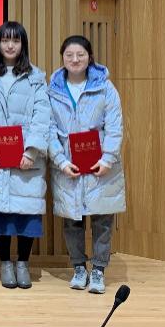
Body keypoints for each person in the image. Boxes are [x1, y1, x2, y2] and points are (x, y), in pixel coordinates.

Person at [0, 21, 50, 289]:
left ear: (23, 44)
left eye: (15, 40)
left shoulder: (36, 77)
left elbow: (42, 116)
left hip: (26, 158)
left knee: (27, 211)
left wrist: (32, 150)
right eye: (5, 40)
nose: (10, 45)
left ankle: (23, 263)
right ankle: (5, 262)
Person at [48, 35, 125, 295]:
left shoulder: (105, 88)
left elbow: (114, 126)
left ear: (89, 57)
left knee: (102, 220)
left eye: (80, 54)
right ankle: (79, 268)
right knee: (72, 220)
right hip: (68, 164)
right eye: (69, 55)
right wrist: (60, 161)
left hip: (101, 165)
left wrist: (108, 159)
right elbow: (48, 130)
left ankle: (99, 269)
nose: (75, 59)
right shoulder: (53, 90)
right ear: (62, 58)